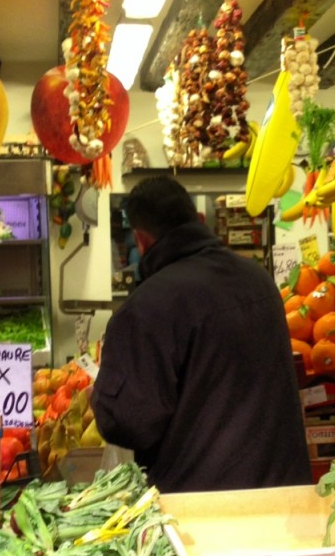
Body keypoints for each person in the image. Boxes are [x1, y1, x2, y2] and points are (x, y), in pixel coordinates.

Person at [92, 176, 311, 493]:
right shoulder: (259, 280)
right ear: (199, 221)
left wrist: (100, 398)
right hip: (286, 495)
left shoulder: (145, 308)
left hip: (204, 511)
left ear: (141, 241)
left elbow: (130, 423)